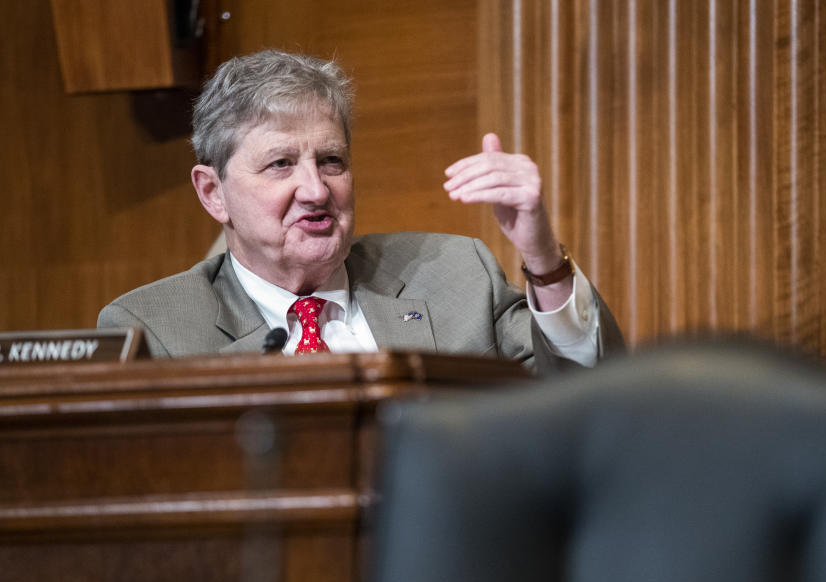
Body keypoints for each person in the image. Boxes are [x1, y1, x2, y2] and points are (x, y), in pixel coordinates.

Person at [98, 50, 623, 372]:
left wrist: (543, 255)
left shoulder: (455, 276)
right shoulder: (154, 329)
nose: (316, 189)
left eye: (332, 161)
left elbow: (590, 393)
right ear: (212, 193)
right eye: (281, 164)